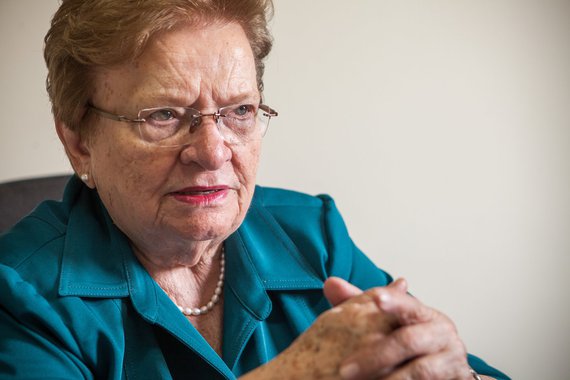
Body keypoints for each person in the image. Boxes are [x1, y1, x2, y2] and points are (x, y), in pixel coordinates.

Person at [0, 1, 509, 379]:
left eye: (240, 111)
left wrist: (454, 370)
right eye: (164, 115)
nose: (214, 151)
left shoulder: (313, 234)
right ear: (79, 141)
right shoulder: (20, 294)